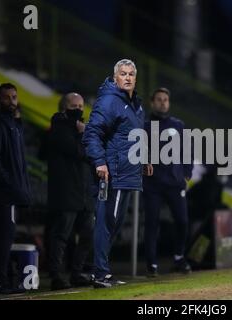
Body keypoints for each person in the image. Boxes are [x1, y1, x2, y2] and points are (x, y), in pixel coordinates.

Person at [83, 59, 152, 288]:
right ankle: (99, 273)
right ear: (115, 77)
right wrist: (100, 162)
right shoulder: (110, 101)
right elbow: (92, 133)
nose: (128, 77)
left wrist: (144, 159)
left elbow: (134, 136)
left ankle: (100, 270)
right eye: (123, 74)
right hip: (112, 173)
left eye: (131, 74)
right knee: (106, 222)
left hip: (127, 173)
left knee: (114, 224)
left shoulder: (135, 104)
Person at [0, 83, 31, 295]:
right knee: (3, 239)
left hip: (8, 191)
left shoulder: (12, 124)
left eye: (14, 97)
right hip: (4, 193)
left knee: (0, 238)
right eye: (6, 98)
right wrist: (9, 184)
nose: (11, 101)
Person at [142, 88, 193, 277]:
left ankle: (179, 257)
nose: (163, 102)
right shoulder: (143, 126)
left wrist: (187, 173)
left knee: (182, 221)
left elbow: (188, 150)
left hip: (174, 183)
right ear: (152, 102)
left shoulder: (178, 125)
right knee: (151, 224)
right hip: (152, 185)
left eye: (166, 100)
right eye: (159, 99)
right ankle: (151, 264)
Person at [47, 93, 95, 290]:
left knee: (88, 234)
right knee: (61, 235)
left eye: (81, 105)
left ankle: (77, 272)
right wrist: (84, 135)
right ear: (63, 108)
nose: (78, 108)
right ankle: (56, 275)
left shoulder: (80, 128)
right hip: (66, 192)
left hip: (84, 192)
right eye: (73, 105)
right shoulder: (58, 128)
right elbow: (79, 151)